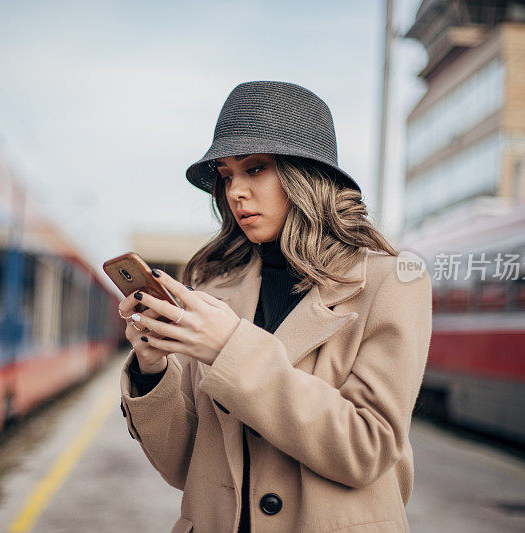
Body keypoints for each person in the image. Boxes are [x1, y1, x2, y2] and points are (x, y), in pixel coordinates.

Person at [116, 80, 432, 533]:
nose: (235, 191)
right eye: (226, 175)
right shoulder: (213, 285)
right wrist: (152, 367)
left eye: (256, 169)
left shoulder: (391, 283)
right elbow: (183, 467)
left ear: (307, 176)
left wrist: (230, 348)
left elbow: (367, 449)